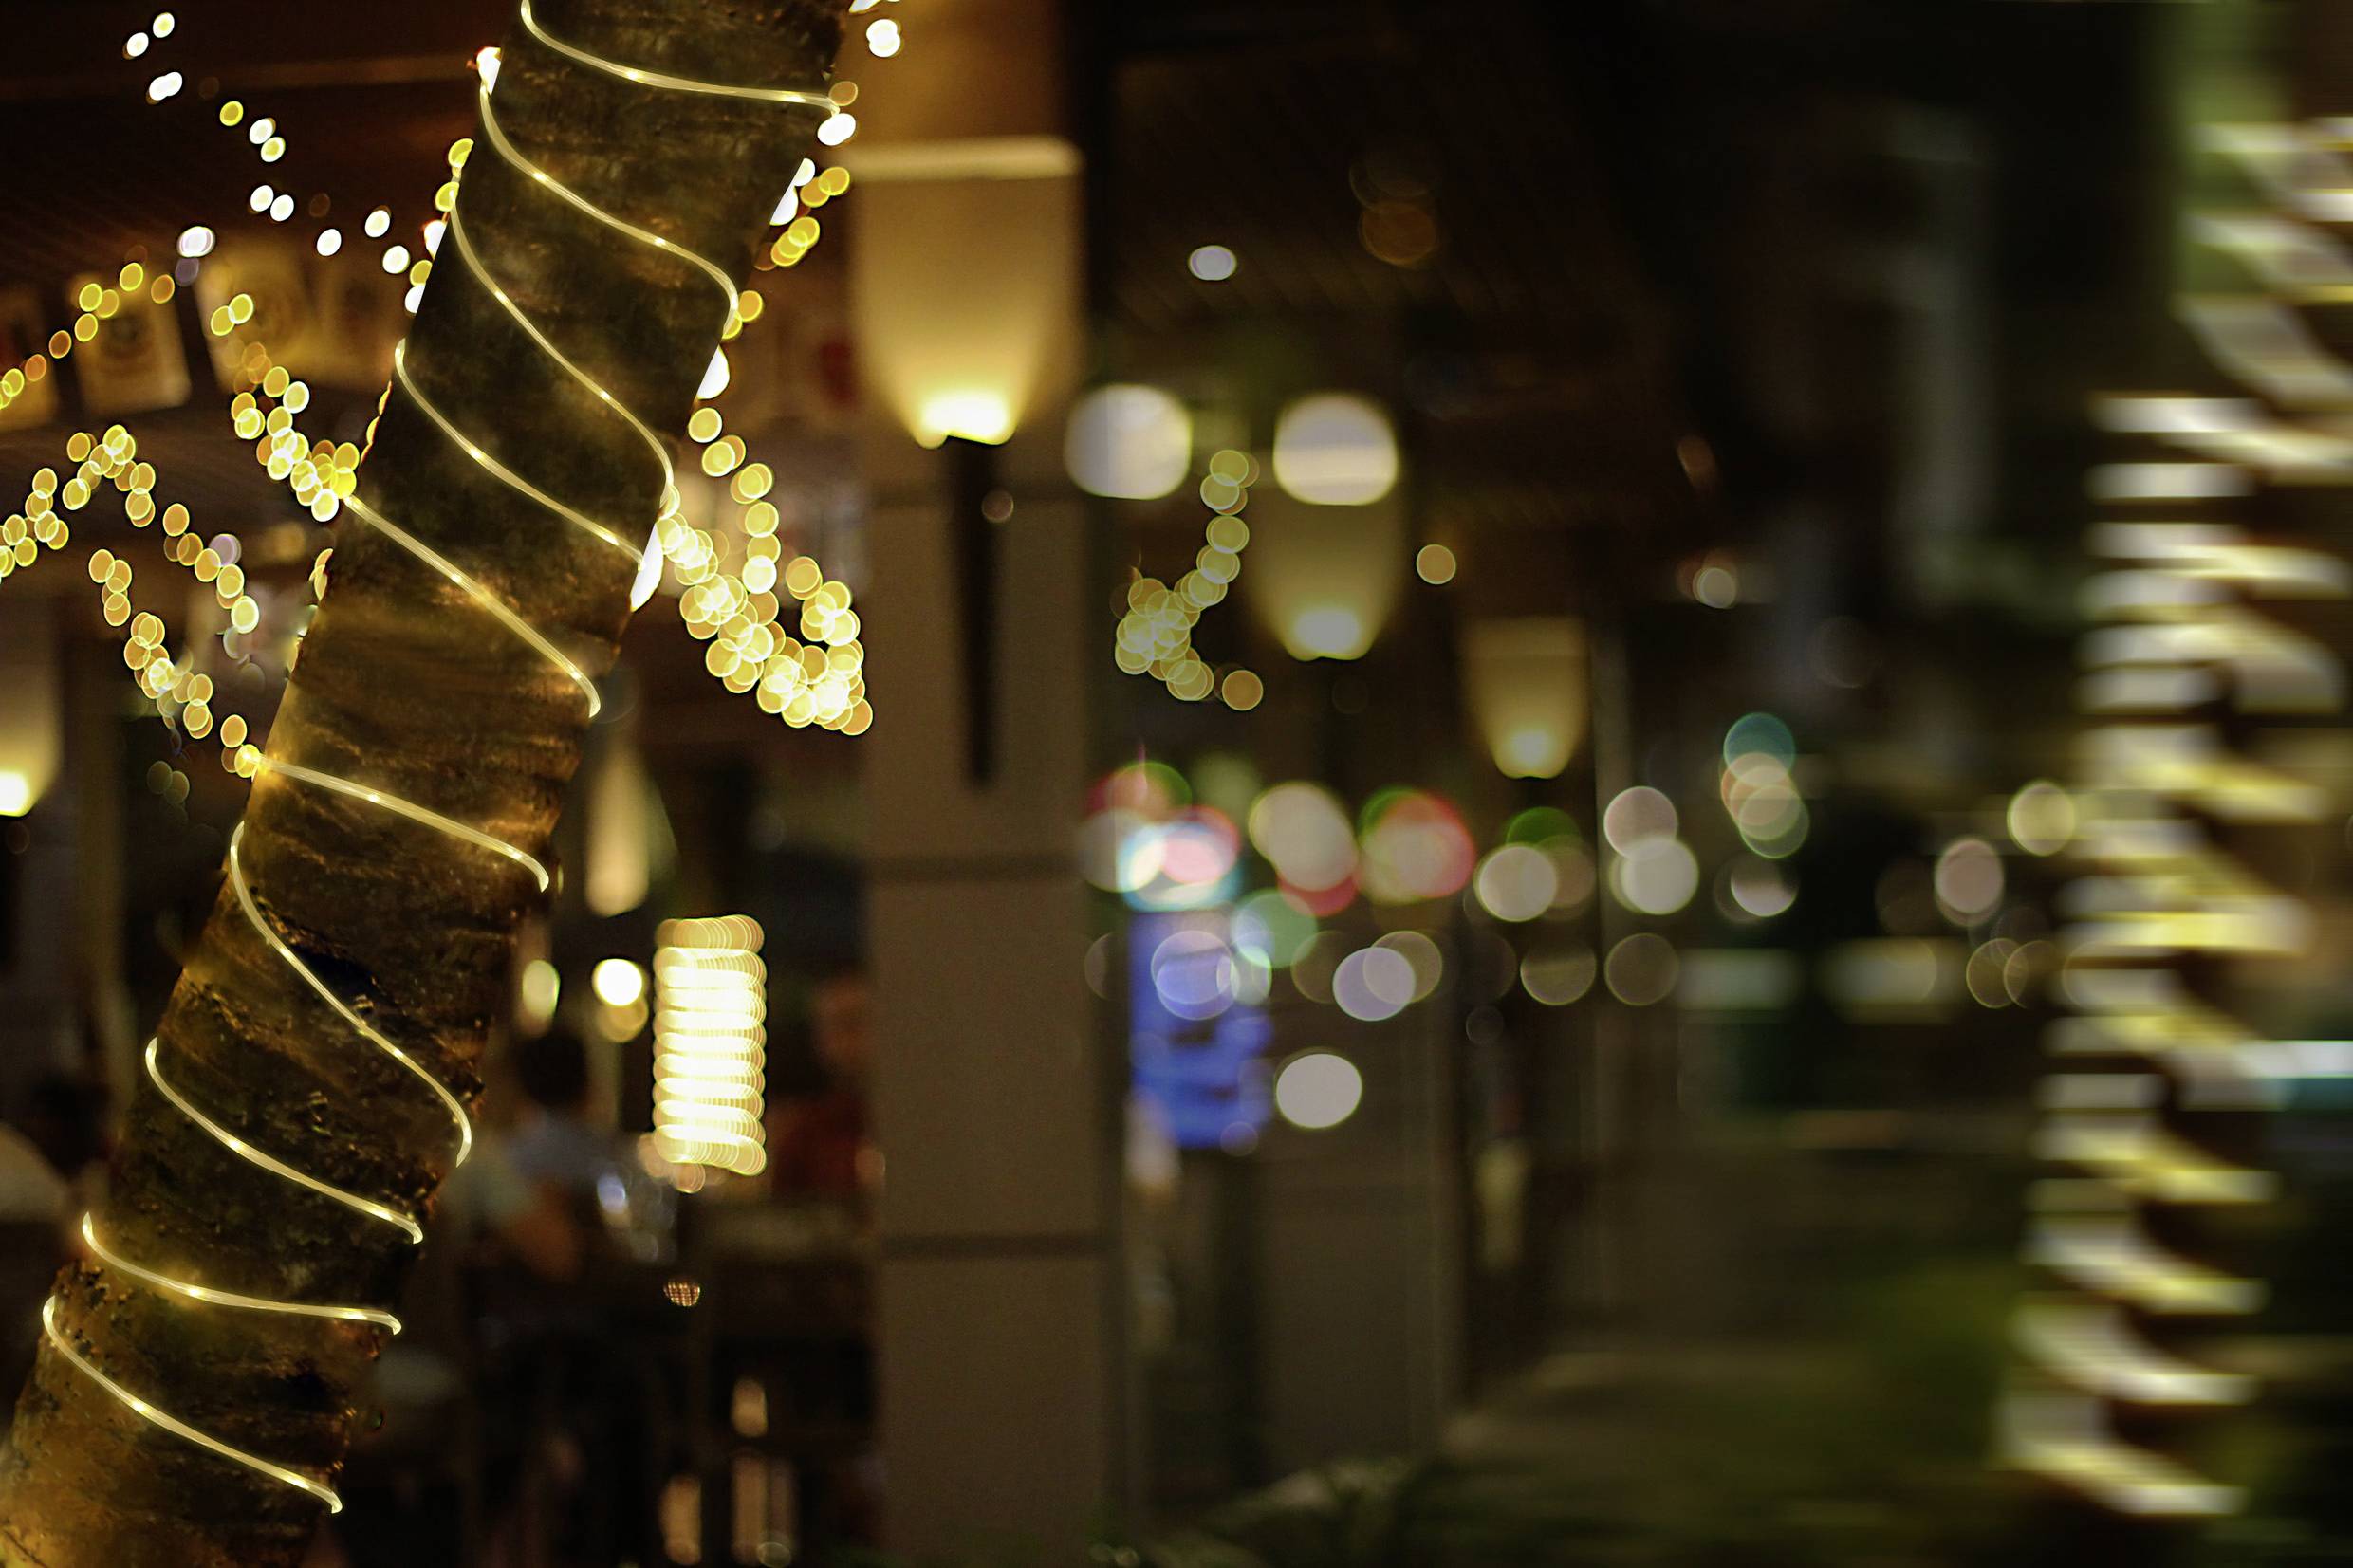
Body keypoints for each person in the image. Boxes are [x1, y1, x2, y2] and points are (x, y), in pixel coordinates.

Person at [768, 966, 876, 1213]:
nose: (846, 1041)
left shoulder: (921, 1122)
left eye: (855, 1022)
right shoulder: (806, 1135)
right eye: (832, 1026)